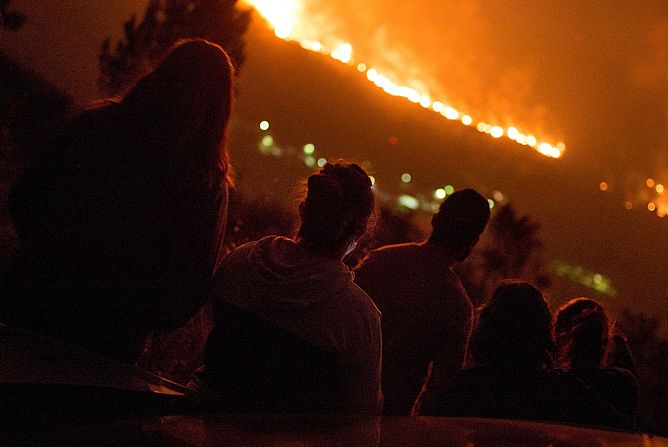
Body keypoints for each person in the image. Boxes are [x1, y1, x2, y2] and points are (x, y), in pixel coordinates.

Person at [1, 39, 234, 362]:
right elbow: (188, 288)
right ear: (220, 108)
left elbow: (26, 194)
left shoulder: (97, 125)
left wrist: (49, 253)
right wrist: (133, 315)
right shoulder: (205, 183)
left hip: (27, 301)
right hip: (106, 345)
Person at [196, 161, 382, 415]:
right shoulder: (356, 316)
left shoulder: (241, 261)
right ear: (358, 234)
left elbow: (207, 339)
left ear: (303, 210)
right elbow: (360, 414)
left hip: (201, 421)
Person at [354, 188, 490, 415]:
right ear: (473, 241)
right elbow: (441, 389)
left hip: (334, 401)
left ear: (435, 220)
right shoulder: (456, 305)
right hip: (390, 419)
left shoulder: (380, 260)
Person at [427, 281, 627, 428]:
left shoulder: (465, 387)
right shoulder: (562, 390)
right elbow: (620, 429)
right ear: (542, 329)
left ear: (489, 326)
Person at [554, 297, 639, 422]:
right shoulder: (619, 386)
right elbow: (626, 368)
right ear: (603, 343)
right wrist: (614, 337)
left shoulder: (554, 386)